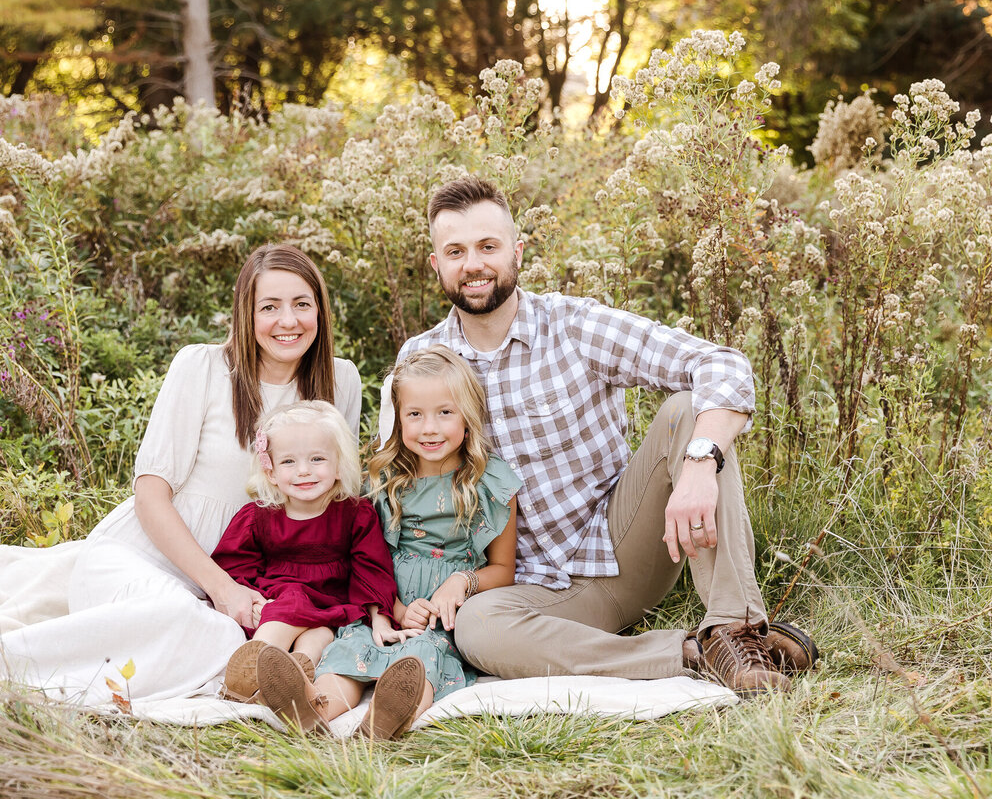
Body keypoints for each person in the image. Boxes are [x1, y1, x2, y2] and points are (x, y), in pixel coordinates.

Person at [385, 176, 817, 696]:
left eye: (487, 247)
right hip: (520, 587)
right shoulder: (423, 360)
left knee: (686, 411)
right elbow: (397, 484)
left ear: (517, 252)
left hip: (621, 548)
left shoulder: (575, 325)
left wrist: (702, 463)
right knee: (477, 629)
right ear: (436, 264)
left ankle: (736, 628)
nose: (472, 264)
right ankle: (694, 654)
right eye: (455, 251)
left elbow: (720, 364)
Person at [0, 244, 363, 706]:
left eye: (302, 304)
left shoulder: (339, 381)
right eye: (270, 307)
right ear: (246, 314)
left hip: (246, 583)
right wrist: (221, 588)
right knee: (181, 618)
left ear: (320, 311)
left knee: (222, 641)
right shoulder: (201, 367)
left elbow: (329, 499)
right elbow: (150, 496)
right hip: (144, 556)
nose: (289, 321)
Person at [254, 346, 522, 738]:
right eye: (415, 414)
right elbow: (366, 557)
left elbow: (504, 570)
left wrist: (462, 582)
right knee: (350, 650)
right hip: (383, 604)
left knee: (421, 656)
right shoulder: (384, 479)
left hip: (441, 618)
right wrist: (390, 607)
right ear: (398, 419)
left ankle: (384, 718)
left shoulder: (490, 482)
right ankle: (310, 710)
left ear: (469, 416)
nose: (429, 428)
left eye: (445, 412)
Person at [212, 401, 397, 703]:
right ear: (270, 471)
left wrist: (380, 617)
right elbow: (234, 563)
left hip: (332, 606)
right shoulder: (259, 515)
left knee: (322, 635)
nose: (303, 471)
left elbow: (371, 568)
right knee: (285, 611)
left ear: (339, 465)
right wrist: (250, 597)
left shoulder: (354, 513)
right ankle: (254, 666)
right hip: (278, 601)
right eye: (288, 462)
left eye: (317, 459)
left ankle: (296, 674)